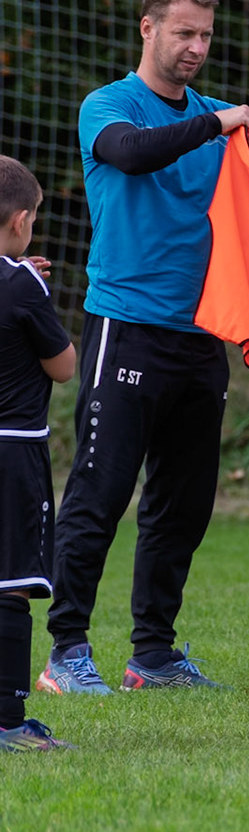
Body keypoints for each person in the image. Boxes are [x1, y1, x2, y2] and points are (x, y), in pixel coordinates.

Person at [39, 0, 249, 695]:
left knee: (183, 504)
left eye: (205, 34)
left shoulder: (218, 121)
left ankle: (154, 655)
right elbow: (133, 153)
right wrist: (218, 124)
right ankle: (66, 652)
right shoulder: (110, 106)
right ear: (148, 28)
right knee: (100, 493)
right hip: (126, 326)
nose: (197, 47)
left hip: (203, 335)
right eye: (184, 32)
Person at [0, 158, 78, 750]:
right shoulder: (23, 285)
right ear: (21, 220)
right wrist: (32, 288)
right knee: (12, 584)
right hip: (13, 453)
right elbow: (64, 366)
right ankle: (8, 722)